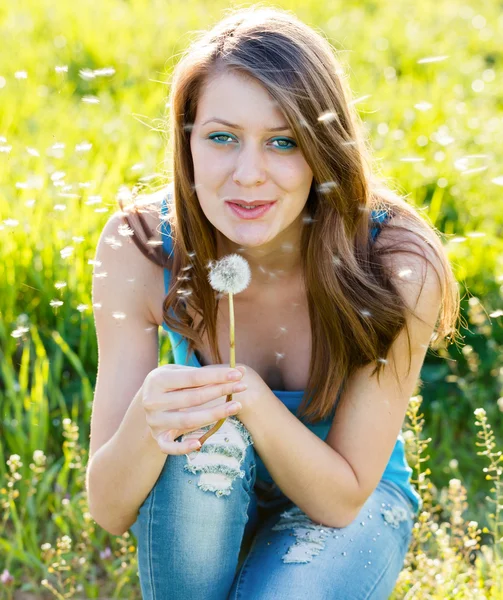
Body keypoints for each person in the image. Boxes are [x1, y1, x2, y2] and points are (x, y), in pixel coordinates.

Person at [86, 5, 461, 599]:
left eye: (283, 141)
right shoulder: (141, 247)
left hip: (347, 503)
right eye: (221, 138)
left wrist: (253, 401)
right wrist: (146, 421)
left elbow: (341, 499)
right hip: (201, 490)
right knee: (200, 443)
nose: (249, 174)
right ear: (187, 145)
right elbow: (108, 509)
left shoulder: (395, 264)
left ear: (323, 149)